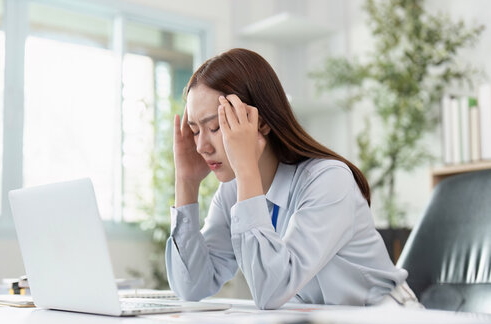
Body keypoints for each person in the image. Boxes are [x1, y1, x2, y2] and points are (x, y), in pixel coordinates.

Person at [165, 48, 420, 310]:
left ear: (261, 123)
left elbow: (271, 292)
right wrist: (186, 182)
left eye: (215, 127)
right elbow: (191, 287)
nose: (201, 147)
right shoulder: (232, 191)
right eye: (195, 131)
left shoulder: (328, 180)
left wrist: (246, 170)